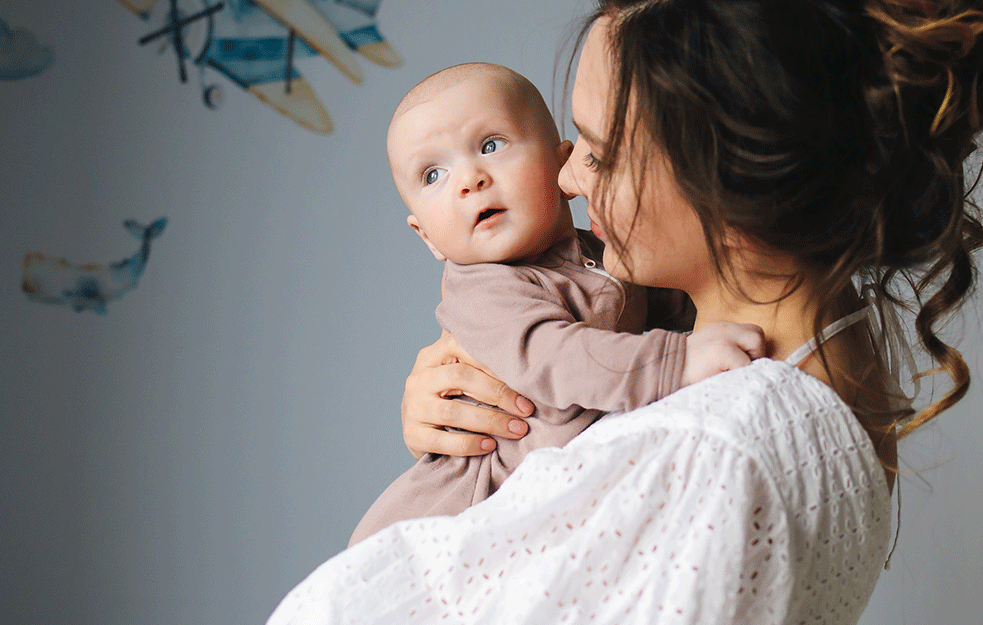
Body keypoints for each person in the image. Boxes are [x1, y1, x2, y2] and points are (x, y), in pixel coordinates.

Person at [267, 1, 982, 622]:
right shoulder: (828, 362)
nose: (568, 178)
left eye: (599, 155)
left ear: (724, 185)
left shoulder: (708, 450)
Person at [348, 62, 766, 546]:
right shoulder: (484, 290)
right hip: (457, 520)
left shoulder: (605, 253)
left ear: (561, 165)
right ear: (427, 237)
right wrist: (681, 360)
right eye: (433, 174)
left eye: (491, 145)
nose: (469, 178)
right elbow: (560, 359)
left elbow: (673, 312)